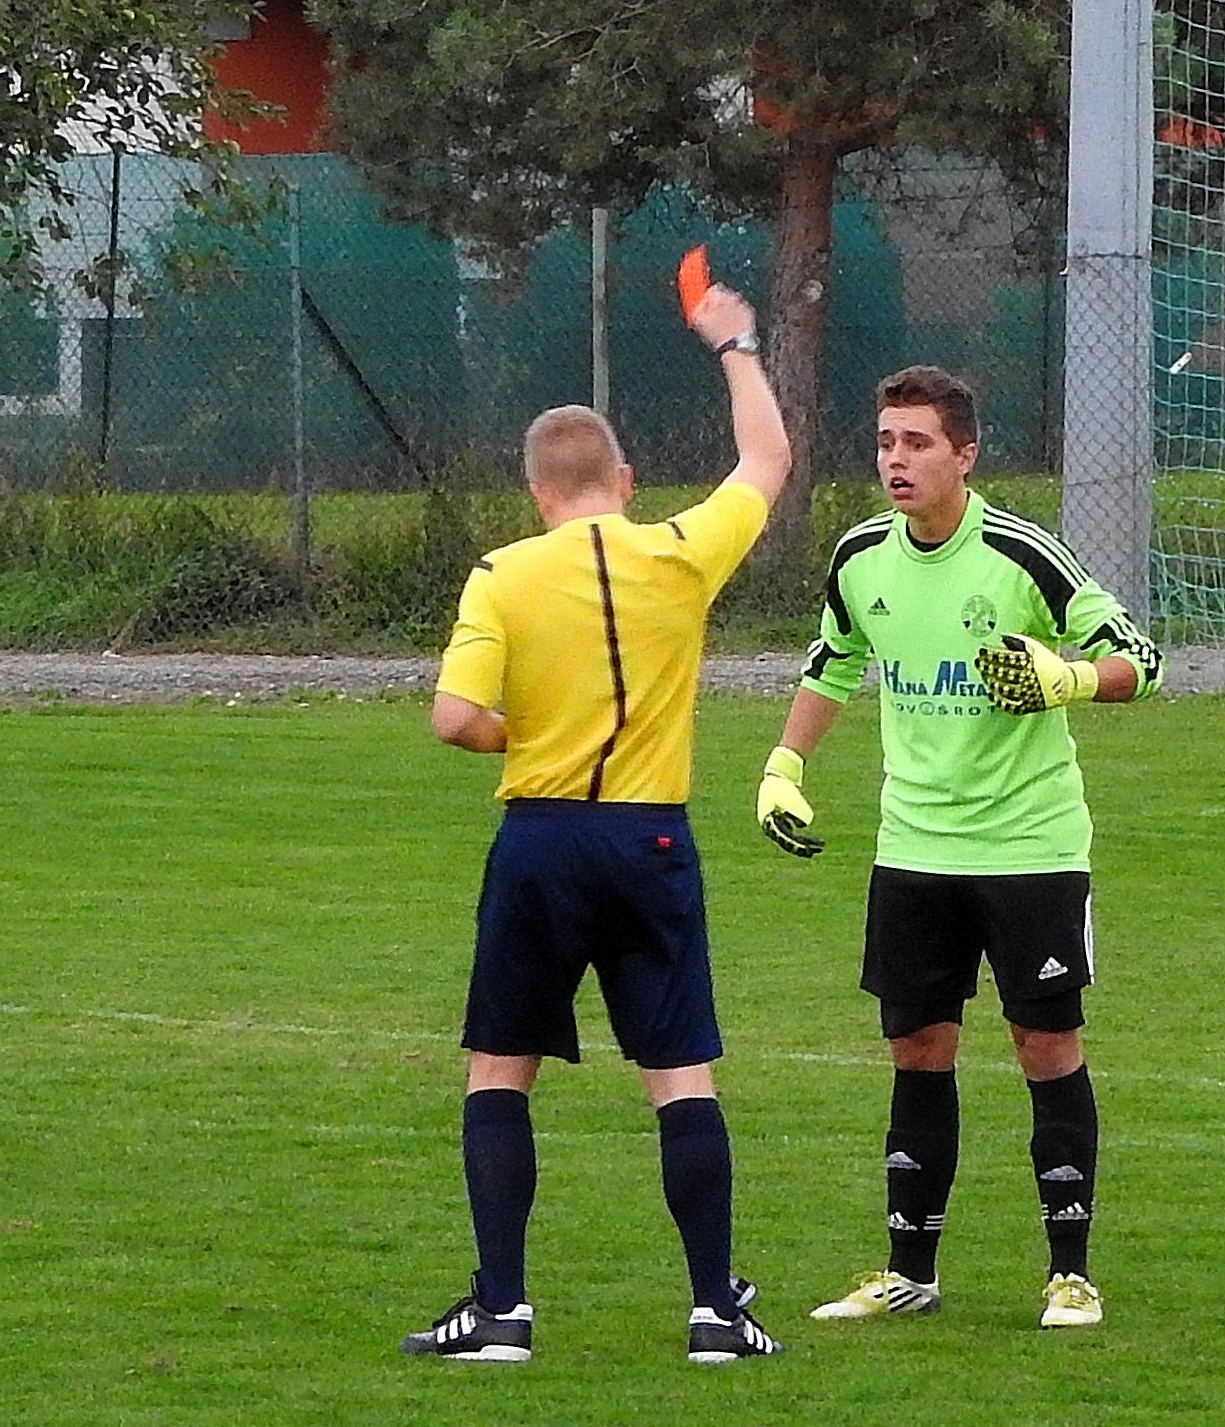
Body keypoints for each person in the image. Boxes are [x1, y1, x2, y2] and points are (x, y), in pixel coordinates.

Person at [399, 282, 791, 1366]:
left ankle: (505, 1312)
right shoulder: (677, 551)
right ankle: (715, 1306)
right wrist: (735, 345)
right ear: (623, 482)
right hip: (650, 837)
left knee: (499, 1068)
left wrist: (518, 738)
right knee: (680, 1074)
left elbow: (452, 717)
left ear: (537, 492)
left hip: (541, 840)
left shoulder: (504, 573)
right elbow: (766, 464)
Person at [755, 365, 1163, 1329]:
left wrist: (1064, 678)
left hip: (1030, 847)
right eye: (887, 443)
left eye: (918, 444)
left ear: (964, 456)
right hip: (915, 848)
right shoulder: (859, 559)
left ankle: (1070, 1270)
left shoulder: (1022, 558)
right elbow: (835, 661)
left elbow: (1140, 661)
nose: (896, 461)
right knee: (916, 1045)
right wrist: (783, 763)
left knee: (1044, 1043)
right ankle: (909, 1270)